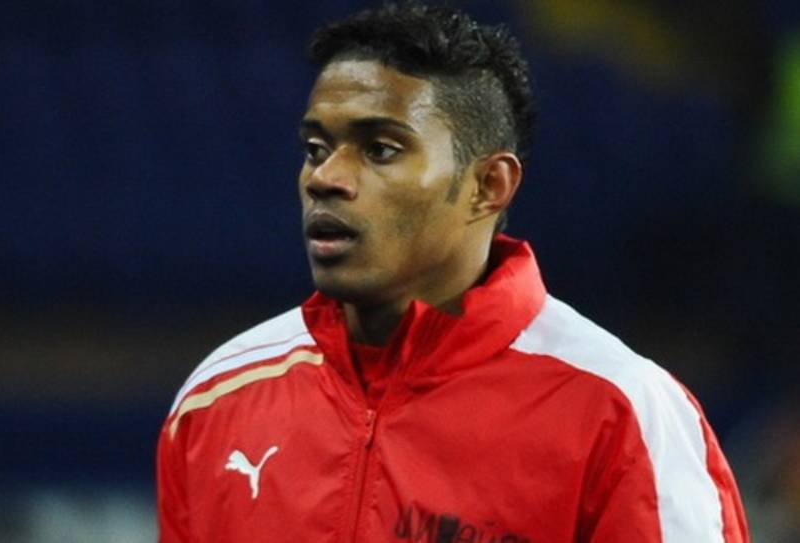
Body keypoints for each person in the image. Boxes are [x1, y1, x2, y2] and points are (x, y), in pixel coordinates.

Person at [156, 3, 749, 542]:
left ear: (489, 185)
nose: (325, 178)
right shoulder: (217, 400)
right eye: (316, 148)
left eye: (380, 149)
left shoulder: (621, 411)